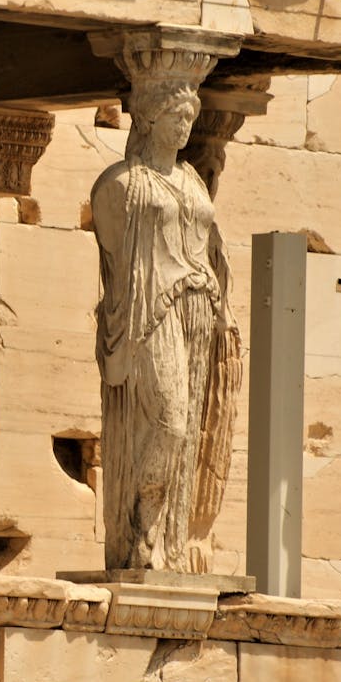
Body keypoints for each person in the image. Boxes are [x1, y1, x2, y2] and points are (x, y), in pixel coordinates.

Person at [91, 73, 235, 572]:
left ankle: (163, 547)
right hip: (149, 313)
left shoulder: (193, 180)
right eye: (176, 117)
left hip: (197, 309)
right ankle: (140, 527)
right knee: (170, 421)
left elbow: (211, 248)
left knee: (188, 430)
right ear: (149, 119)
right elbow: (114, 253)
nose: (185, 127)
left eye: (190, 118)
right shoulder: (119, 185)